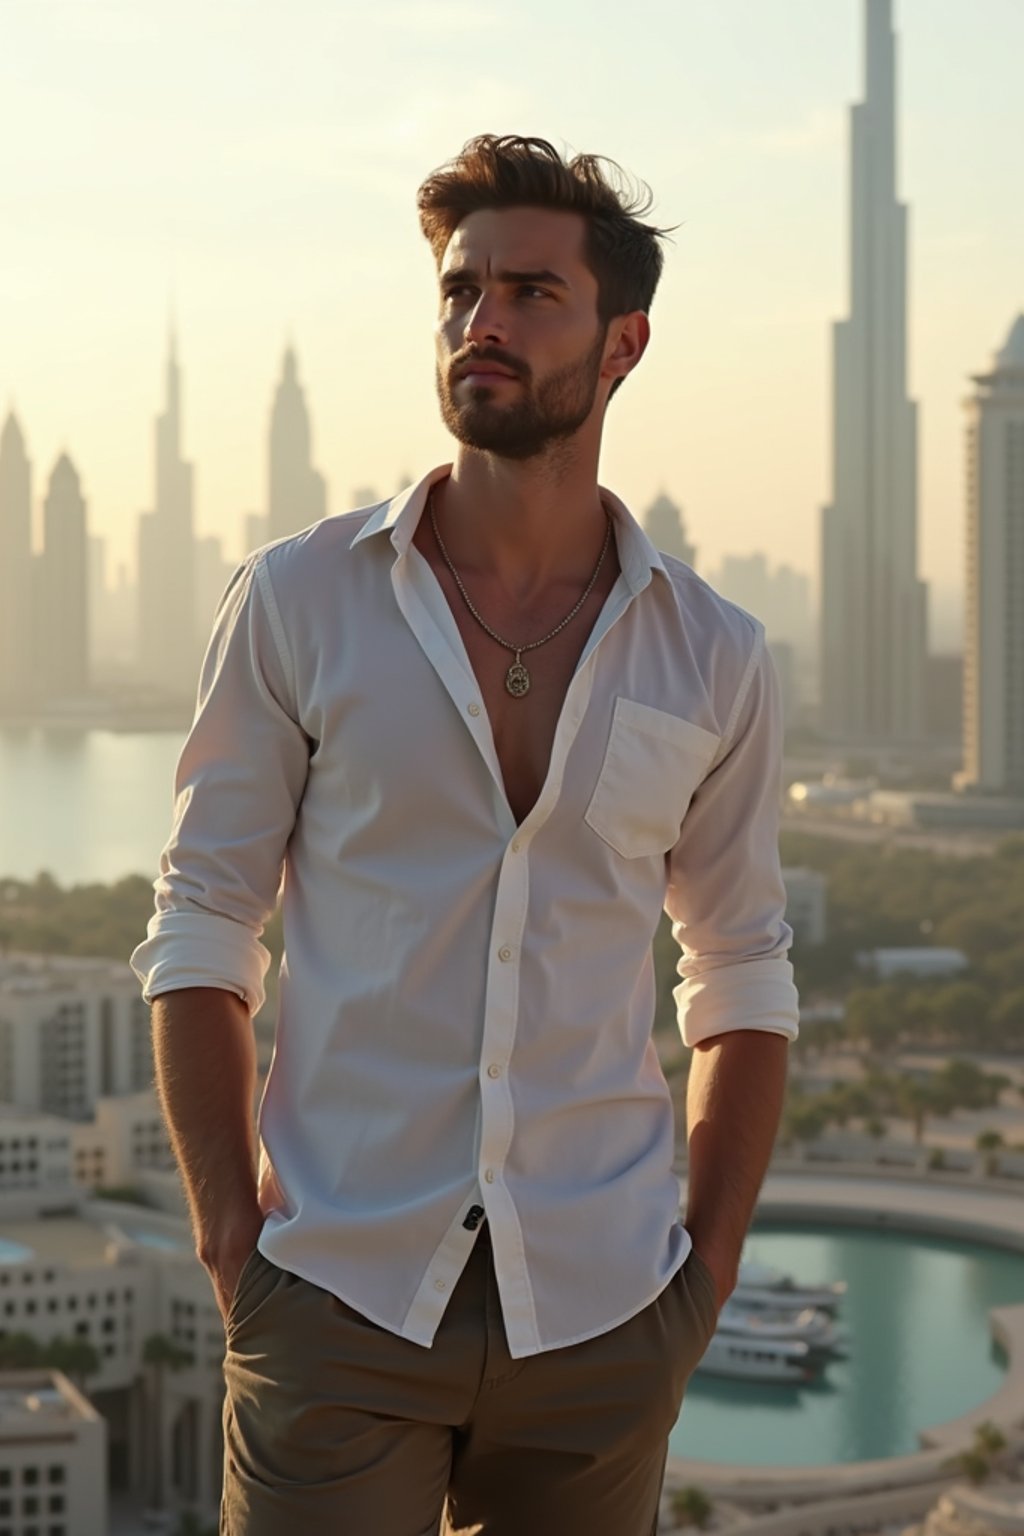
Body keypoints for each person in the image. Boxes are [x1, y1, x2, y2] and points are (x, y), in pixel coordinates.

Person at [131, 133, 799, 1536]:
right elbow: (202, 923)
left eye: (530, 294)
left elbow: (738, 972)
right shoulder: (298, 601)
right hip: (338, 1297)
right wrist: (230, 1245)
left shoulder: (715, 656)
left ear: (623, 344)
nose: (480, 321)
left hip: (606, 1317)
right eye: (459, 290)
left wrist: (706, 1281)